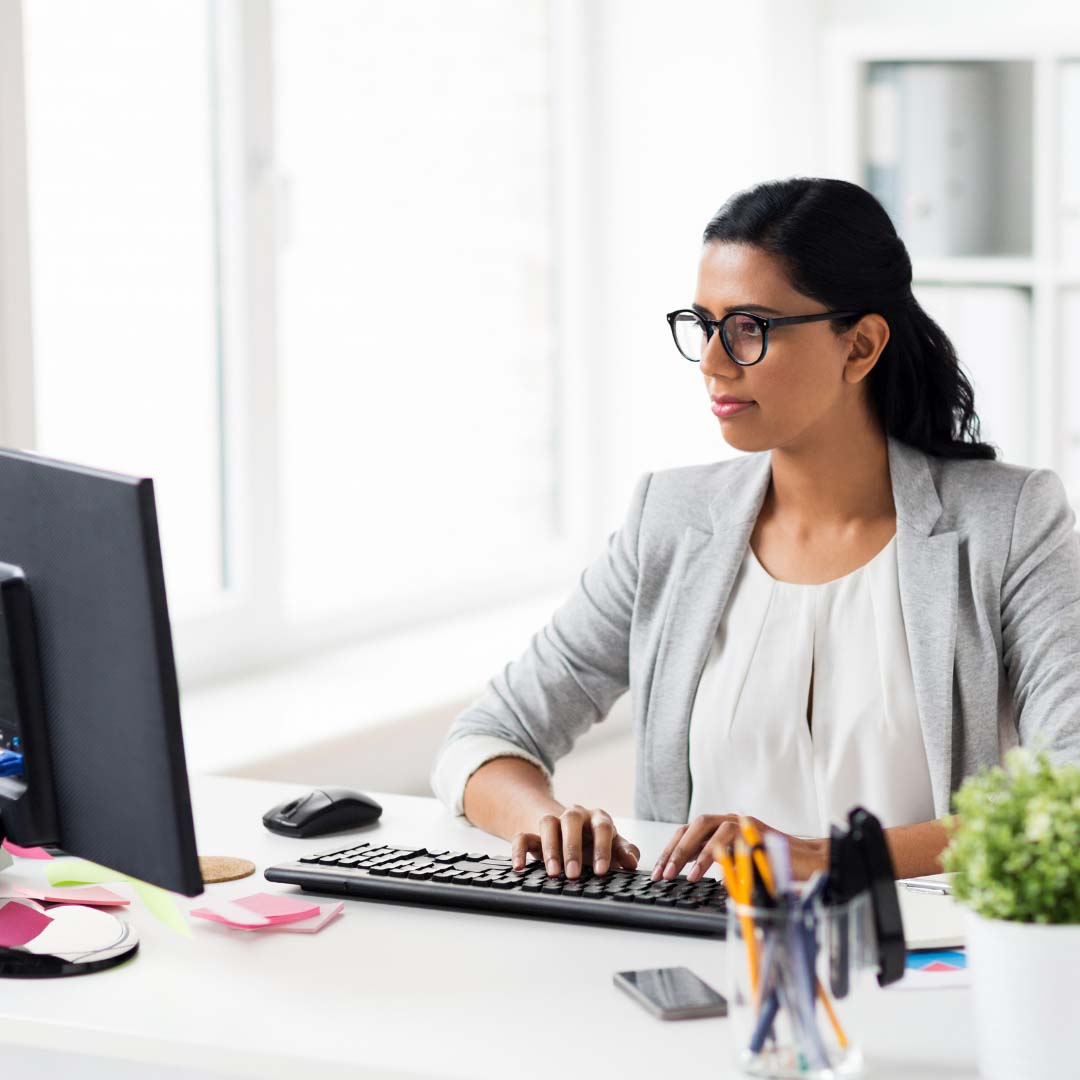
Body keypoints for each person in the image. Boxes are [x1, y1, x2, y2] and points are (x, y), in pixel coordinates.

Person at [430, 176, 1080, 884]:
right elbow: (489, 736)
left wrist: (827, 859)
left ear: (860, 346)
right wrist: (545, 823)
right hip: (696, 964)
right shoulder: (671, 521)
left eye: (749, 329)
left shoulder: (1008, 523)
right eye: (704, 325)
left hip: (924, 961)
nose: (711, 362)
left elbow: (1066, 795)